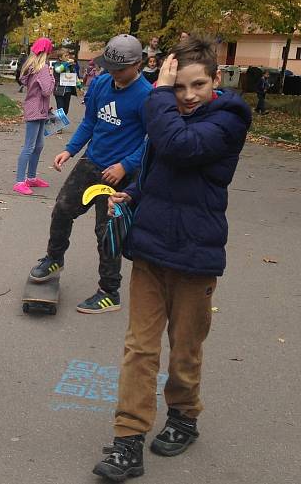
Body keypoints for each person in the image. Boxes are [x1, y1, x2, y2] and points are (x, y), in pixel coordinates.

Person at [92, 36, 251, 481]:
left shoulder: (229, 118)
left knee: (185, 348)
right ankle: (128, 442)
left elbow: (182, 146)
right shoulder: (170, 118)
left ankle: (183, 416)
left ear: (216, 80)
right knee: (139, 349)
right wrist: (132, 193)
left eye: (197, 85)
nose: (187, 95)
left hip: (196, 257)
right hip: (150, 251)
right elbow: (160, 164)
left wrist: (159, 92)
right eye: (179, 87)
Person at [29, 34, 151, 314]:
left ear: (138, 64)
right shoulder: (100, 83)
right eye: (111, 68)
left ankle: (110, 292)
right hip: (91, 162)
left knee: (106, 232)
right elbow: (91, 122)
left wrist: (126, 166)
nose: (115, 75)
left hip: (121, 174)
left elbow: (151, 140)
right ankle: (54, 258)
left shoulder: (147, 96)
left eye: (121, 70)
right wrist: (70, 150)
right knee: (62, 209)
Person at [13, 37, 56, 195]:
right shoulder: (44, 68)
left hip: (37, 108)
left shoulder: (32, 66)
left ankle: (31, 177)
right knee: (29, 146)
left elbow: (35, 89)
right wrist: (52, 76)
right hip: (36, 110)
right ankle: (19, 181)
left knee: (38, 145)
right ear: (47, 52)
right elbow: (46, 90)